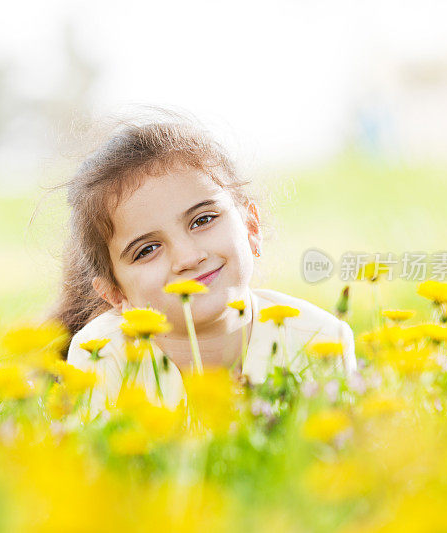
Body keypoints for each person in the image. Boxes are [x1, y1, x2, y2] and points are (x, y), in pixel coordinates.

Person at [50, 113, 356, 412]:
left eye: (203, 220)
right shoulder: (103, 353)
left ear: (252, 227)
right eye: (147, 250)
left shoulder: (321, 339)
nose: (188, 258)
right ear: (116, 295)